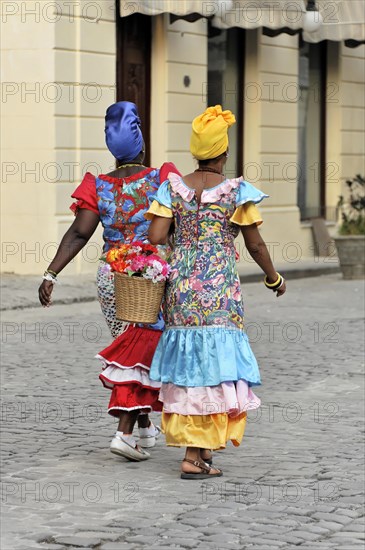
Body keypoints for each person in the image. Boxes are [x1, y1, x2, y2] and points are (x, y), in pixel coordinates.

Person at [146, 105, 286, 479]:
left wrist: (183, 232)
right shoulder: (236, 191)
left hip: (180, 287)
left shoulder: (172, 186)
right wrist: (273, 277)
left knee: (192, 366)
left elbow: (156, 237)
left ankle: (201, 450)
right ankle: (194, 454)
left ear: (196, 153)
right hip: (220, 287)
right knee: (216, 365)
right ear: (223, 154)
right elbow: (255, 245)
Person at [38, 101, 179, 462]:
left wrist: (51, 272)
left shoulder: (97, 185)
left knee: (131, 346)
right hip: (150, 277)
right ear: (142, 143)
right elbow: (179, 224)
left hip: (112, 277)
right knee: (140, 352)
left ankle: (145, 428)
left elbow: (79, 233)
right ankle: (126, 433)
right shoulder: (160, 179)